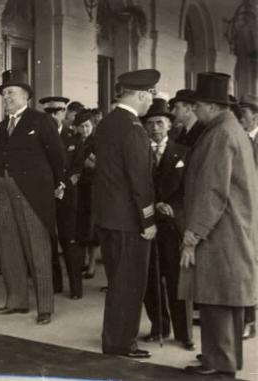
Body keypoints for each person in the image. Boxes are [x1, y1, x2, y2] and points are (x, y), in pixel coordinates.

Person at [179, 72, 257, 377]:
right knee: (223, 298)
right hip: (231, 230)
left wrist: (192, 234)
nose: (194, 110)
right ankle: (219, 357)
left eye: (197, 104)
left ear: (211, 106)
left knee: (217, 298)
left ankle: (220, 365)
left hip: (220, 232)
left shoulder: (219, 134)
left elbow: (213, 190)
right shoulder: (230, 129)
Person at [93, 69, 159, 358]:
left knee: (117, 280)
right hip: (129, 221)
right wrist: (148, 221)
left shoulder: (107, 123)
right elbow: (140, 181)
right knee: (129, 283)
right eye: (151, 96)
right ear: (142, 95)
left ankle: (114, 338)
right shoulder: (133, 128)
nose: (151, 102)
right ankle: (121, 343)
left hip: (108, 217)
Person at [0, 70, 65, 325]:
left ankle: (45, 307)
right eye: (4, 93)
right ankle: (16, 301)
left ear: (25, 95)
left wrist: (58, 184)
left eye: (10, 92)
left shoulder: (40, 121)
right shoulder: (2, 126)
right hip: (4, 190)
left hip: (32, 193)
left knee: (38, 250)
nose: (6, 97)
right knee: (9, 247)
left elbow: (58, 156)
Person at [140, 97, 194, 351]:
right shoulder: (139, 153)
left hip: (173, 226)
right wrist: (154, 204)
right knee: (150, 278)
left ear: (169, 125)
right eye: (150, 123)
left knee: (176, 279)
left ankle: (184, 333)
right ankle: (158, 326)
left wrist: (173, 208)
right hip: (148, 223)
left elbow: (189, 191)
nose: (155, 128)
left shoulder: (182, 152)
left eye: (160, 123)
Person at [39, 95, 84, 299]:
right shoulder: (38, 138)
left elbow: (77, 169)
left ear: (63, 113)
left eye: (57, 112)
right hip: (46, 195)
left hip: (67, 196)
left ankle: (75, 288)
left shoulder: (73, 138)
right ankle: (55, 284)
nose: (53, 117)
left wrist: (63, 185)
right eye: (48, 113)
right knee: (48, 240)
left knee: (69, 241)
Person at [238, 93, 258, 340]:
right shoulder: (240, 138)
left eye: (243, 113)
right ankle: (248, 318)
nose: (239, 118)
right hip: (244, 211)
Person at [72, 109, 100, 280]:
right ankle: (84, 262)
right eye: (81, 126)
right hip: (78, 189)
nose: (85, 129)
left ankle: (92, 264)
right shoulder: (75, 141)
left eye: (87, 126)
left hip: (92, 189)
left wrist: (92, 163)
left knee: (92, 228)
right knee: (81, 227)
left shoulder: (97, 142)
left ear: (93, 125)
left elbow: (101, 165)